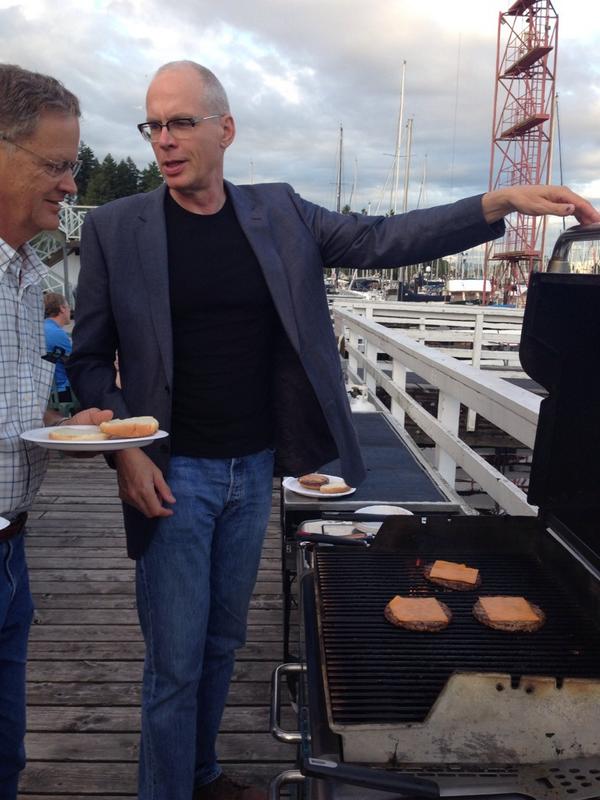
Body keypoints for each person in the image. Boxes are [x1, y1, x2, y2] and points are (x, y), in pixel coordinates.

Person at [68, 60, 600, 800]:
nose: (164, 140)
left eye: (181, 122)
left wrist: (497, 201)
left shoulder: (279, 213)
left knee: (223, 643)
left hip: (252, 471)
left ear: (225, 130)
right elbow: (88, 362)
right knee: (173, 664)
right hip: (169, 472)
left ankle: (203, 773)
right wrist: (125, 448)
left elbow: (387, 239)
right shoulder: (115, 228)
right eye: (153, 125)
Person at [0, 64, 113, 799]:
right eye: (58, 165)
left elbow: (14, 415)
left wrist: (70, 425)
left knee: (7, 760)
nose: (71, 185)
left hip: (14, 553)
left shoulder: (22, 272)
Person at [43, 292, 73, 402]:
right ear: (62, 309)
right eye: (69, 307)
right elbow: (77, 362)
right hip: (61, 393)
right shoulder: (57, 334)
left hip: (43, 391)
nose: (70, 311)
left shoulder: (38, 328)